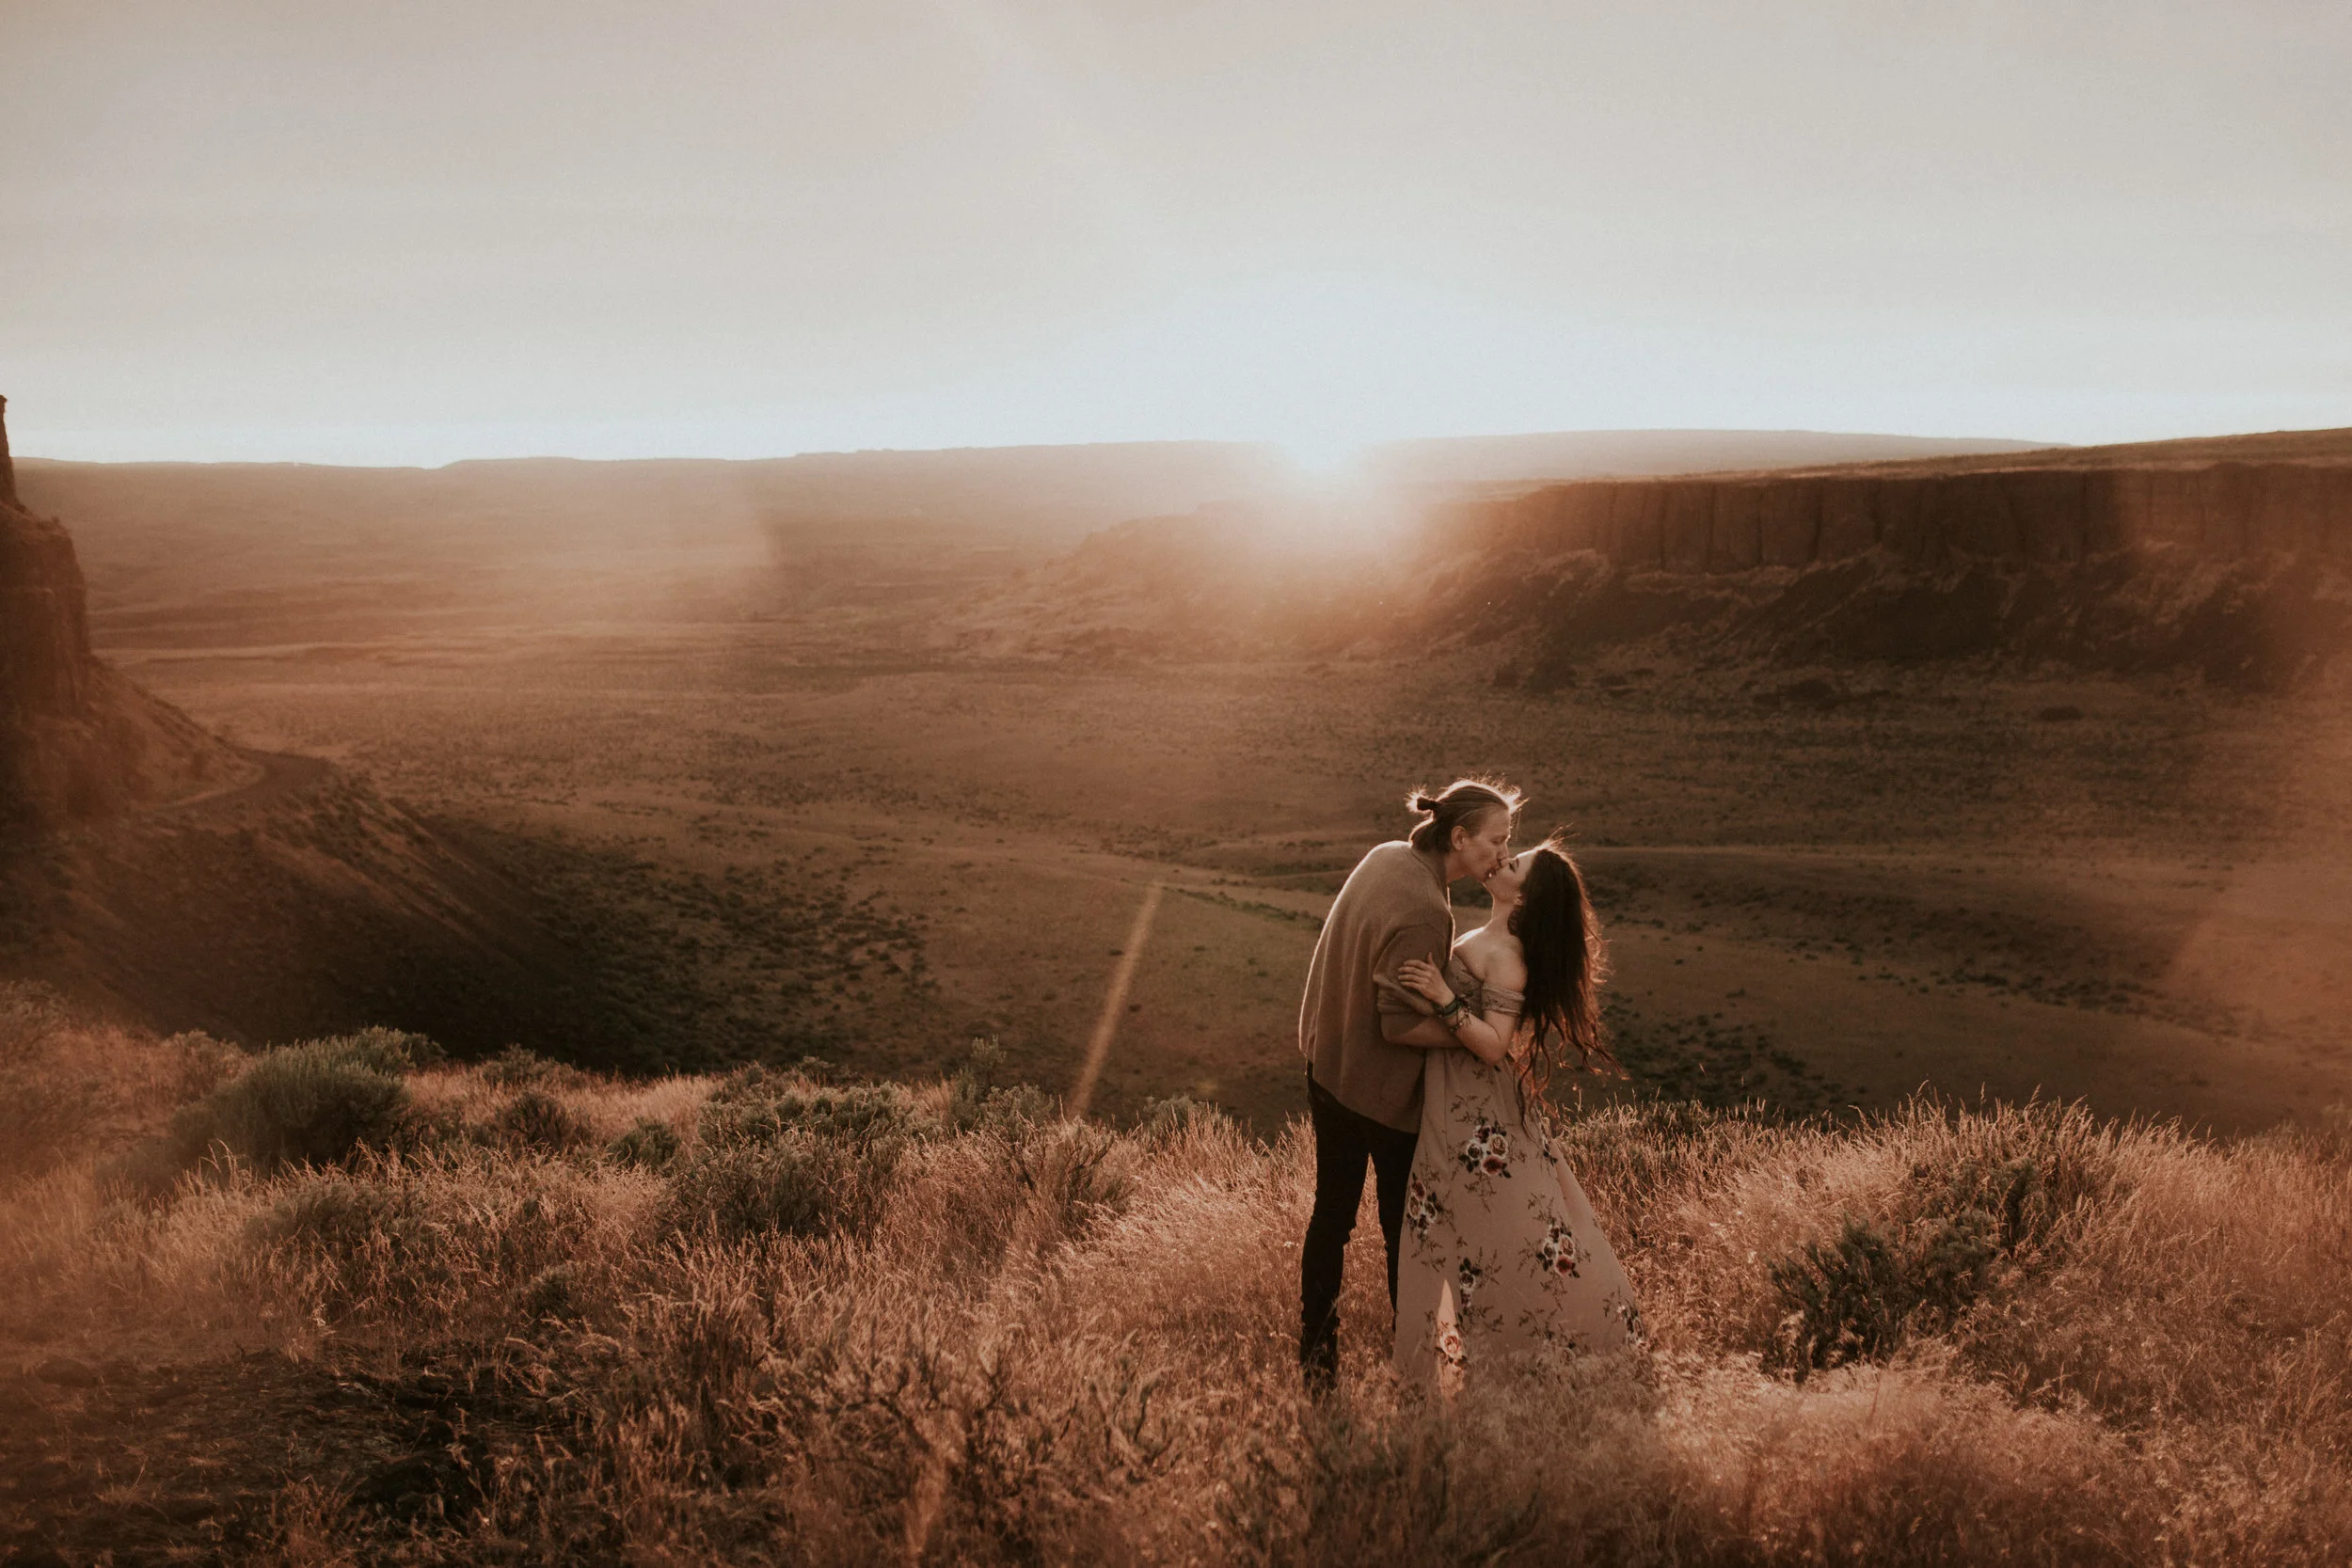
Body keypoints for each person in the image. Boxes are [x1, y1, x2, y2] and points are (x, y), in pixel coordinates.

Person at [1391, 833, 1641, 1386]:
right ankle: (1456, 1368)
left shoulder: (1508, 959)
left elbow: (1494, 1045)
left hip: (1479, 1113)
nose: (1503, 859)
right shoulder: (1486, 936)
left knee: (1499, 1231)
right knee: (1448, 1227)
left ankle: (1526, 1361)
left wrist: (1441, 996)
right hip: (1454, 1102)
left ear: (1523, 898)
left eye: (1515, 863)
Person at [1295, 779, 1519, 1390]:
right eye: (1495, 842)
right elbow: (1398, 1024)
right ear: (1459, 837)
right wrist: (1474, 1035)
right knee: (1413, 1241)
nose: (1501, 855)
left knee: (1332, 1219)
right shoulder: (1429, 909)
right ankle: (1426, 1379)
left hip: (1327, 1067)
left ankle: (1317, 1372)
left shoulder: (1386, 854)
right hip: (1381, 1096)